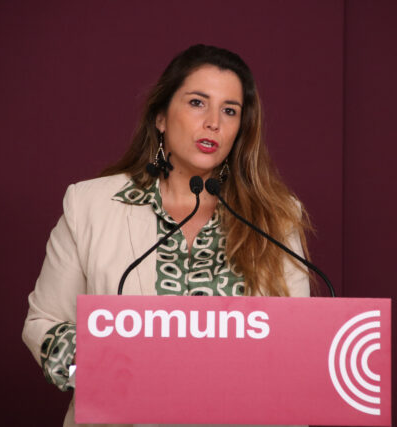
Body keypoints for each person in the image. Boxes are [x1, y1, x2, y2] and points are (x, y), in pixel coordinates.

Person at [22, 44, 312, 427]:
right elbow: (44, 321)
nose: (213, 123)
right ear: (160, 117)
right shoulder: (90, 205)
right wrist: (101, 370)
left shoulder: (276, 217)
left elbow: (294, 344)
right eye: (197, 103)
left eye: (229, 110)